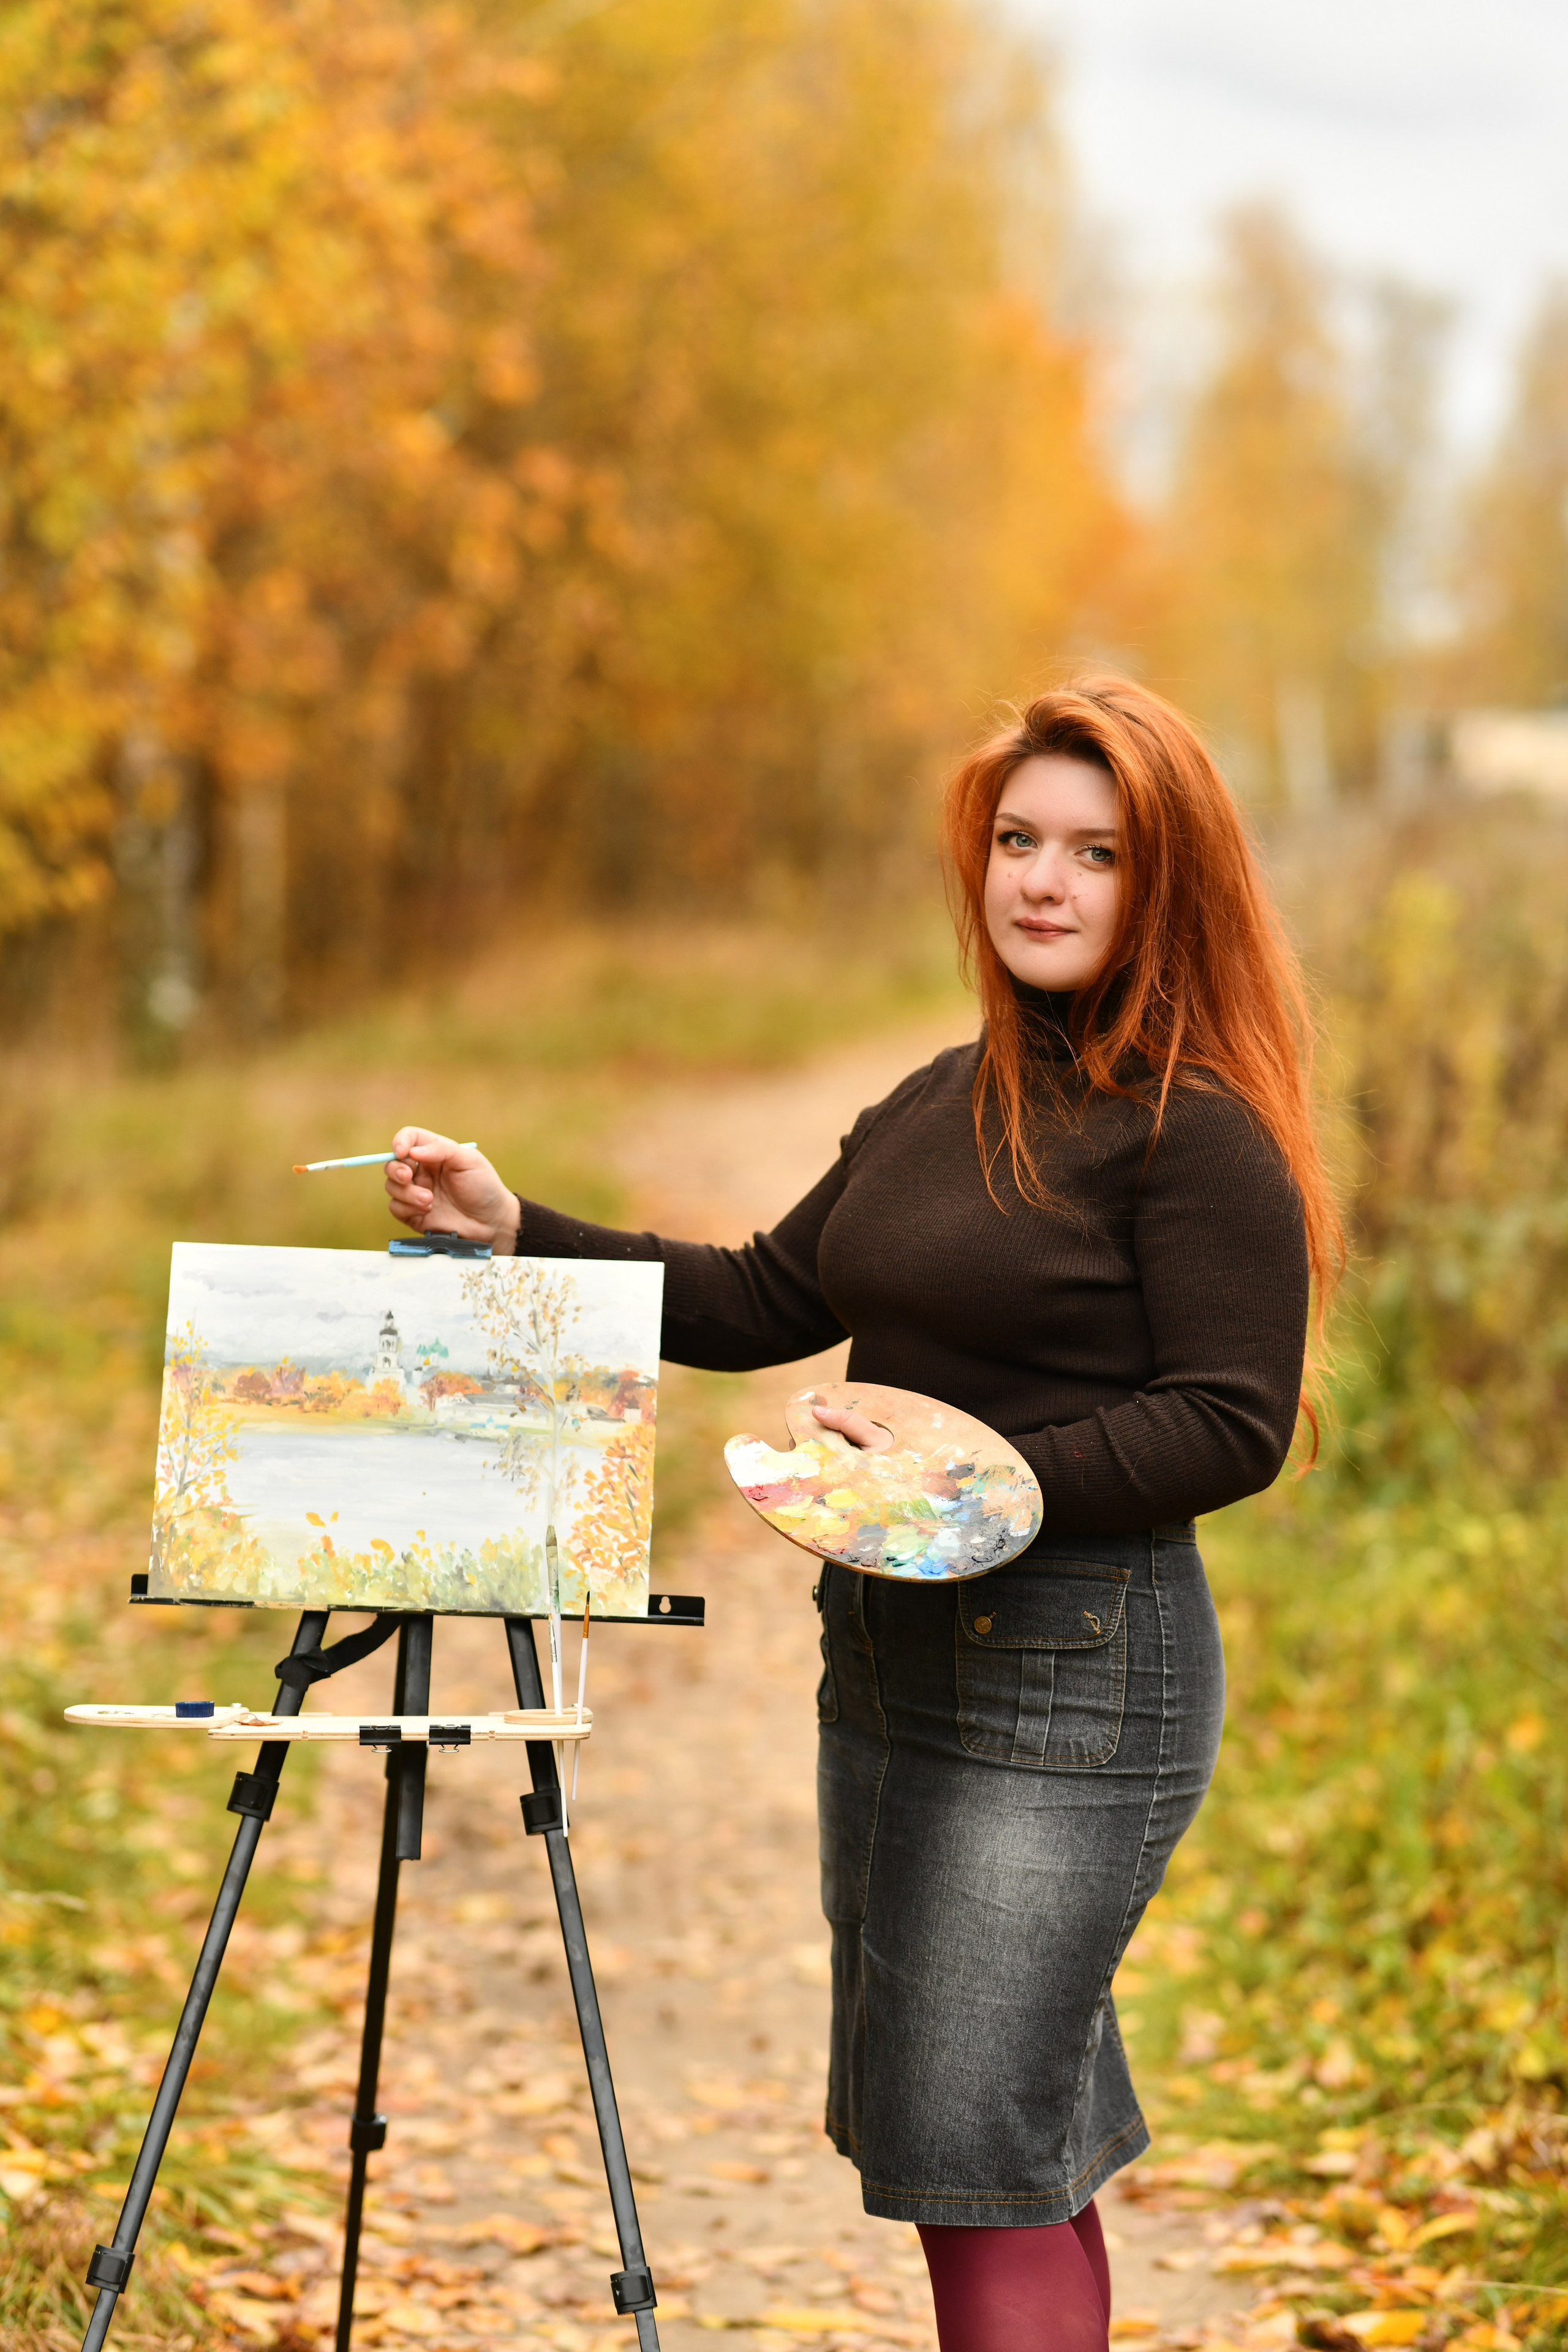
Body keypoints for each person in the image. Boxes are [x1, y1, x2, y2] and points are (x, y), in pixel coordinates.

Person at [384, 679, 1339, 2352]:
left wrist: (976, 1470)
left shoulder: (1196, 1133)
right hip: (892, 1664)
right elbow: (764, 1294)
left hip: (1074, 1680)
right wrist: (514, 1228)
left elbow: (1231, 1420)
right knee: (982, 2139)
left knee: (976, 2146)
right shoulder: (937, 1100)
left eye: (1098, 853)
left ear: (1166, 883)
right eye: (1020, 840)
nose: (1043, 880)